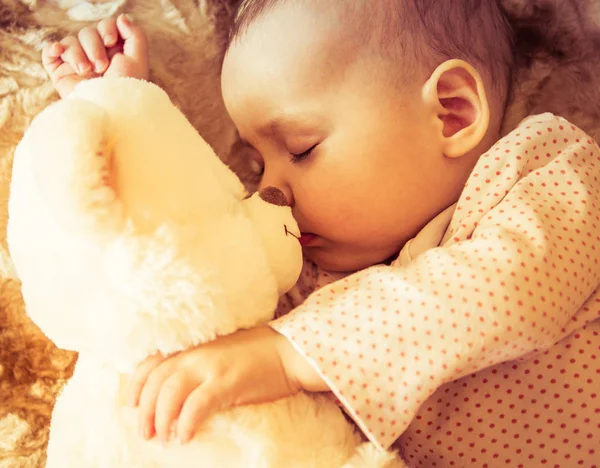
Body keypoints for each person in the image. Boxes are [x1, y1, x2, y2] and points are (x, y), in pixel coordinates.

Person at [41, 2, 600, 466]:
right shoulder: (313, 276)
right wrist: (124, 113)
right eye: (258, 165)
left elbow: (506, 290)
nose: (271, 192)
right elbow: (197, 271)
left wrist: (286, 356)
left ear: (451, 114)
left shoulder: (547, 169)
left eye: (302, 148)